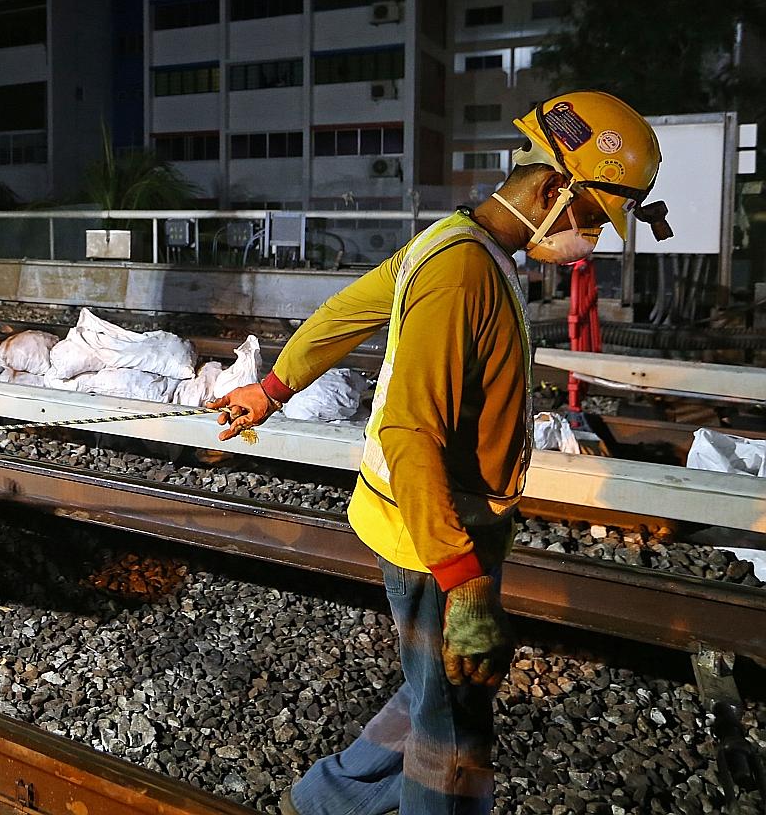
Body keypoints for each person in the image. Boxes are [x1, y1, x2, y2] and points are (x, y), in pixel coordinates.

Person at [209, 91, 671, 815]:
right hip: (434, 537)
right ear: (555, 191)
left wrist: (270, 387)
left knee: (442, 688)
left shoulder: (454, 243)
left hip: (428, 525)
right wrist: (465, 582)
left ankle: (331, 797)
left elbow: (343, 314)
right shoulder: (464, 272)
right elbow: (407, 431)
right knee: (456, 736)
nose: (593, 240)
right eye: (591, 220)